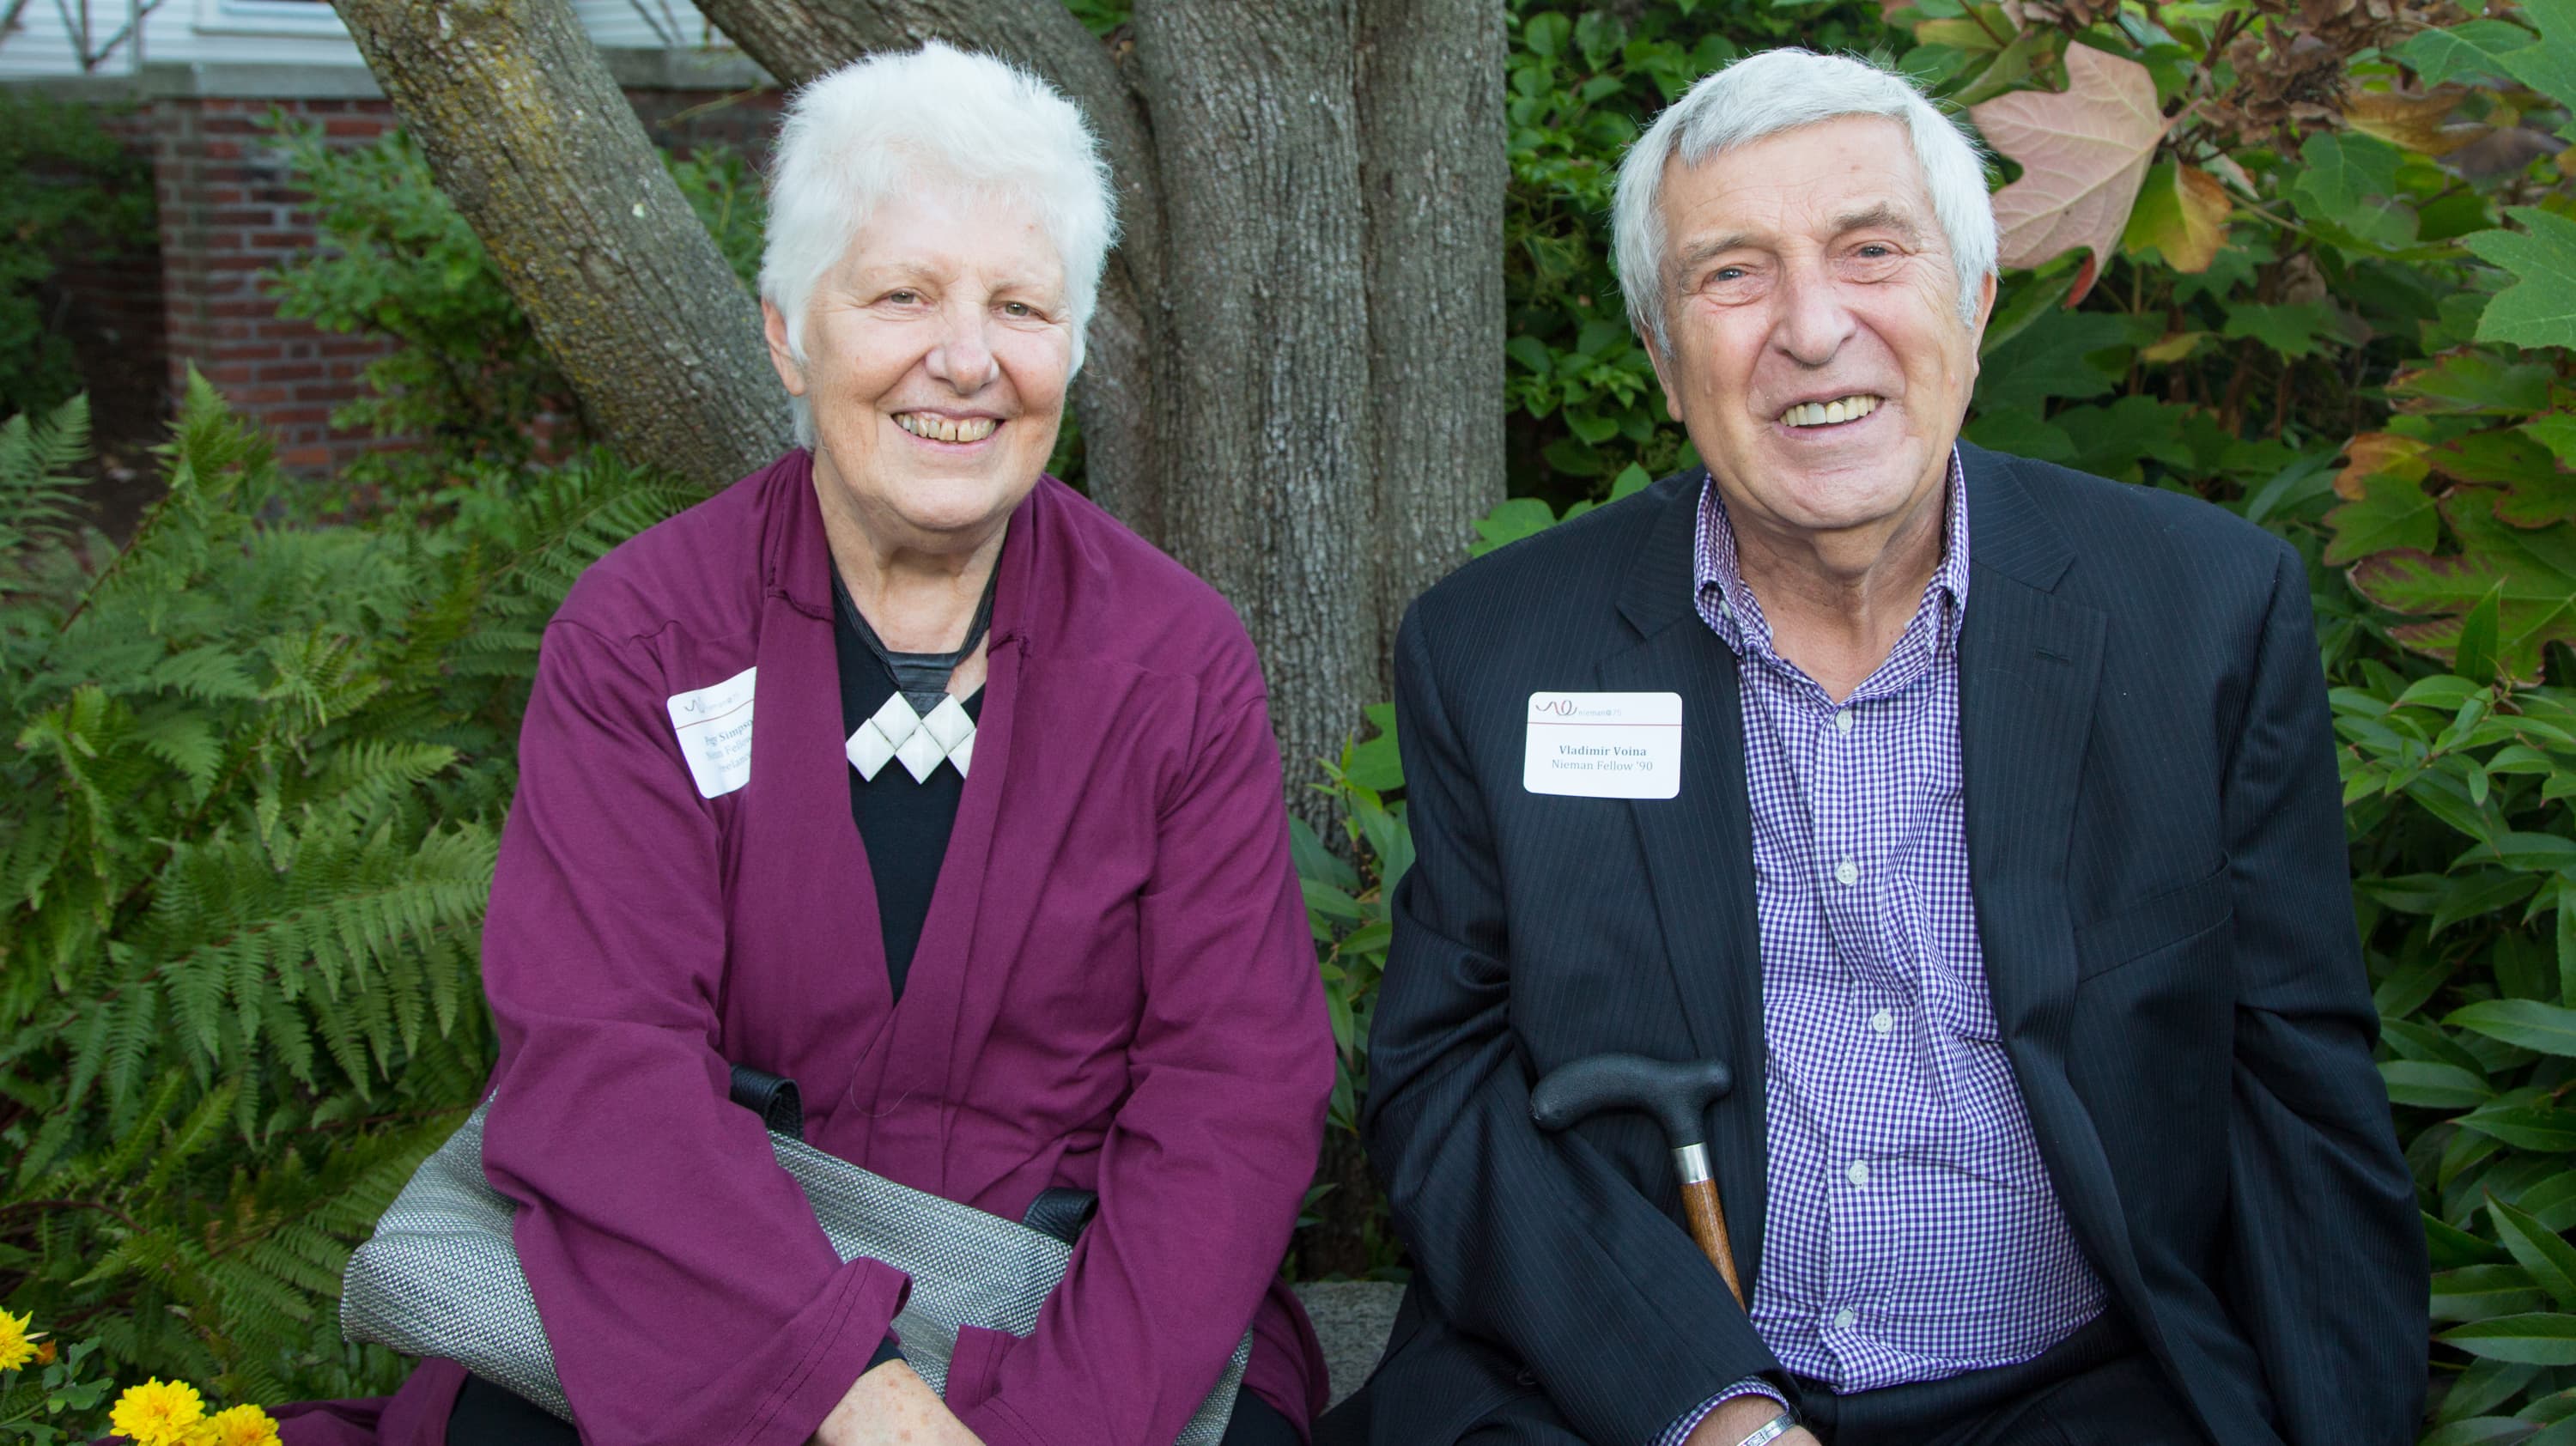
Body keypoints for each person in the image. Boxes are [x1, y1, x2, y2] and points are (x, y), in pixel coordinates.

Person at [1321, 47, 2423, 1446]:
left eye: (1870, 250)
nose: (1812, 326)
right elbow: (1445, 1080)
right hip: (1629, 1393)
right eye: (1732, 273)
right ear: (1665, 363)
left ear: (1971, 303)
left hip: (2081, 1392)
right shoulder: (1501, 648)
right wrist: (1706, 1407)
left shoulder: (2199, 618)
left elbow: (2300, 1092)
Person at [279, 42, 1333, 1446]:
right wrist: (853, 1389)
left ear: (1070, 348)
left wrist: (1060, 1427)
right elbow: (601, 1059)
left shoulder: (1174, 659)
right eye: (902, 295)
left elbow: (1234, 1088)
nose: (966, 359)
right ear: (788, 329)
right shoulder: (642, 635)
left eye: (1021, 306)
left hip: (1073, 1317)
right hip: (700, 1294)